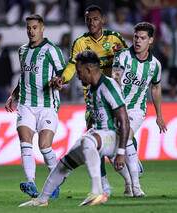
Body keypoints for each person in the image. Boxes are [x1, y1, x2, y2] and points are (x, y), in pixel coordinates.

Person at [19, 50, 130, 207]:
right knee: (64, 163)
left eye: (79, 72)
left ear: (89, 70)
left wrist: (120, 152)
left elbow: (124, 120)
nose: (78, 76)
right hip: (98, 136)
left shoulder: (108, 85)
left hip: (112, 137)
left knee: (87, 141)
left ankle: (98, 191)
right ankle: (41, 199)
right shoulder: (92, 89)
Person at [49, 5, 131, 196]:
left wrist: (120, 58)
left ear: (102, 20)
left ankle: (132, 180)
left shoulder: (114, 39)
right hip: (93, 100)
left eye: (95, 19)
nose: (91, 23)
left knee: (123, 139)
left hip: (114, 96)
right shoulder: (80, 42)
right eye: (88, 19)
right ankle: (104, 185)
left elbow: (128, 61)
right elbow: (71, 66)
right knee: (95, 142)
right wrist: (63, 78)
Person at [5, 14, 66, 199]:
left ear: (42, 28)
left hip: (47, 105)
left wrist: (59, 82)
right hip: (26, 104)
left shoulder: (51, 50)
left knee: (45, 146)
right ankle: (30, 182)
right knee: (25, 142)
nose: (31, 31)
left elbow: (64, 74)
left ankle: (55, 181)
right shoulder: (22, 50)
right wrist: (13, 95)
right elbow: (24, 76)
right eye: (28, 28)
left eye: (34, 27)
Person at [112, 22, 167, 197]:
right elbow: (115, 79)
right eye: (136, 37)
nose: (137, 41)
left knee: (125, 136)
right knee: (109, 150)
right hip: (116, 107)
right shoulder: (122, 57)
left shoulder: (155, 65)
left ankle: (136, 187)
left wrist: (159, 115)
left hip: (136, 109)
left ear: (150, 40)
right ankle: (129, 181)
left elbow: (156, 88)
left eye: (142, 38)